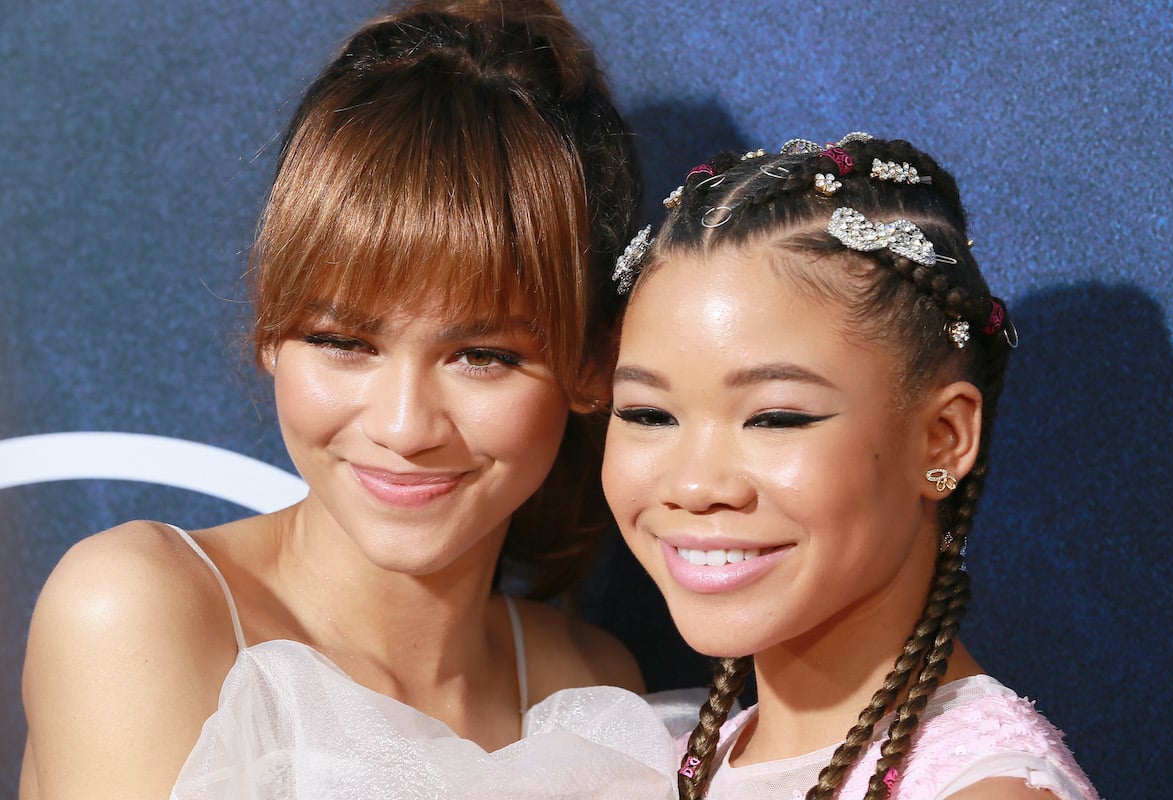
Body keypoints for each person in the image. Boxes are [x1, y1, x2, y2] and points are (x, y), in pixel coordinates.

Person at [19, 2, 660, 798]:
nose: (403, 426)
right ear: (270, 325)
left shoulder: (589, 686)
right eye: (344, 342)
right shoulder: (137, 608)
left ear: (594, 365)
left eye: (482, 356)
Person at [602, 134, 1100, 799]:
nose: (694, 485)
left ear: (943, 439)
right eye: (648, 414)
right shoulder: (664, 764)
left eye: (775, 419)